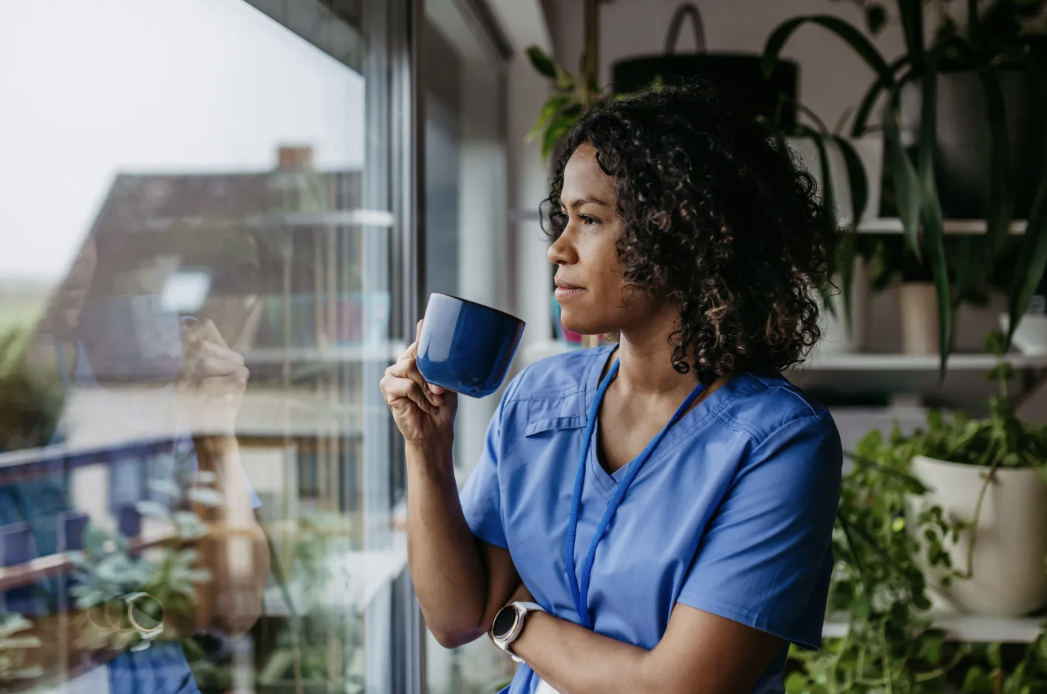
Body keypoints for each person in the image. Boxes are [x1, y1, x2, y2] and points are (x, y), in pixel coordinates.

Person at [381, 81, 844, 694]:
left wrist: (518, 622)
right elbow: (453, 617)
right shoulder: (537, 399)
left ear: (683, 236)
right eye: (563, 219)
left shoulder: (779, 443)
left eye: (590, 220)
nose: (557, 249)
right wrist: (428, 447)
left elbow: (673, 689)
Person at [0, 234, 269, 694]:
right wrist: (140, 614)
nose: (77, 255)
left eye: (86, 236)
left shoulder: (153, 394)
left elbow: (234, 608)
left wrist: (214, 430)